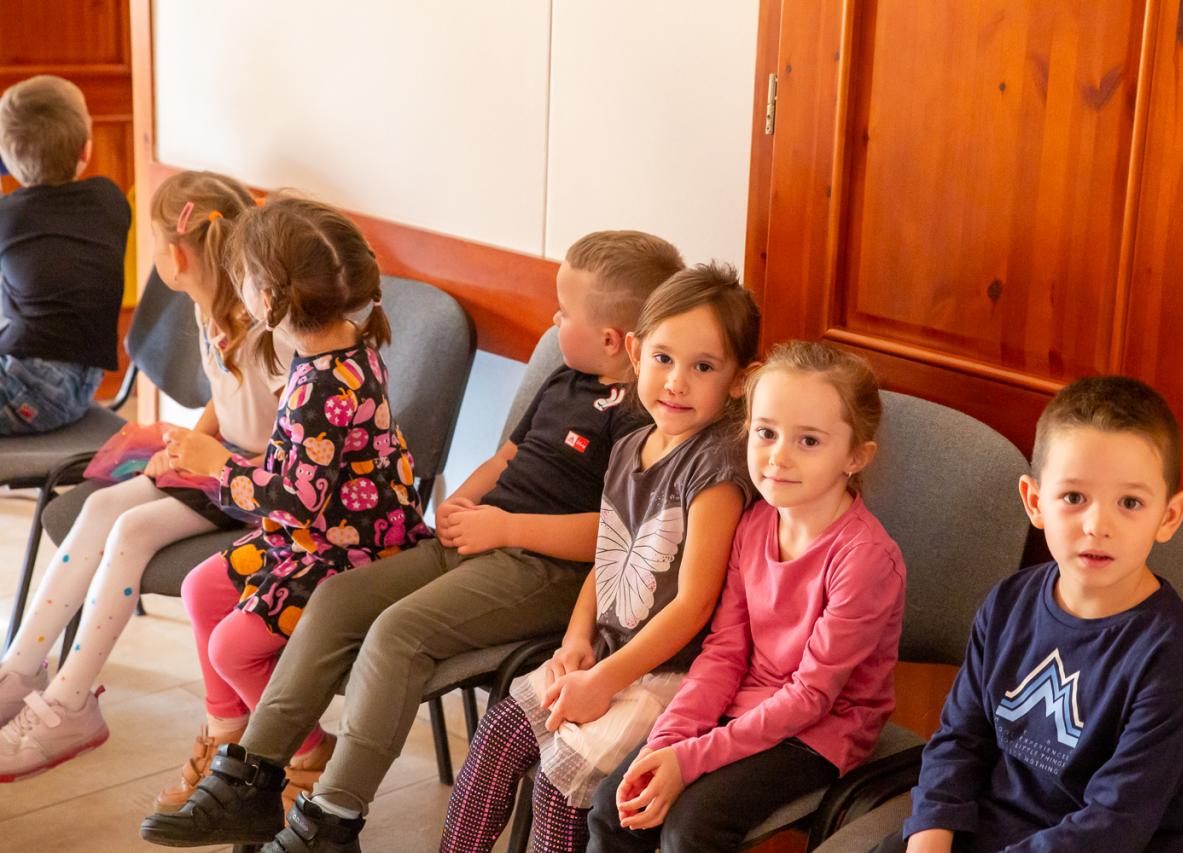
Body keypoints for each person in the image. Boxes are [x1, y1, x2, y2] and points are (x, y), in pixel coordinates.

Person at [138, 230, 685, 851]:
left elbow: (615, 537)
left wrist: (504, 527)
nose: (553, 322)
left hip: (543, 568)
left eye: (563, 313)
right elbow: (508, 457)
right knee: (338, 599)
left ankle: (332, 819)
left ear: (612, 340)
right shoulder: (566, 378)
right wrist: (463, 501)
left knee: (397, 633)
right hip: (480, 537)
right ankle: (251, 780)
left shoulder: (640, 419)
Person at [439, 263, 759, 853]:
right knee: (498, 737)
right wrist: (575, 641)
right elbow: (608, 556)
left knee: (561, 783)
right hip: (605, 654)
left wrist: (604, 679)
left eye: (704, 367)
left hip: (666, 675)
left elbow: (694, 605)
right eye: (663, 358)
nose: (677, 382)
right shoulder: (631, 443)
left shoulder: (717, 469)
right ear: (635, 353)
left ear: (739, 380)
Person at [0, 170, 282, 784]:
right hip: (222, 462)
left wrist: (213, 460)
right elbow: (229, 399)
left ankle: (69, 706)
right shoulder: (210, 310)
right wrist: (191, 446)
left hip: (260, 486)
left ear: (177, 257)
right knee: (101, 507)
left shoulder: (267, 332)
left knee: (130, 530)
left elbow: (287, 443)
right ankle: (19, 672)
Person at [158, 196, 432, 813]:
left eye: (242, 279)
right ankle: (228, 734)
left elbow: (294, 502)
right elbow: (300, 485)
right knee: (202, 590)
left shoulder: (323, 381)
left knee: (232, 648)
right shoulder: (341, 343)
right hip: (320, 534)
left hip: (353, 551)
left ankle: (306, 752)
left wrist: (217, 464)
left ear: (266, 300)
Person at [875, 376, 1183, 853]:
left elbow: (1114, 825)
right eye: (1074, 497)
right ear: (1035, 502)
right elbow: (961, 739)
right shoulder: (1007, 604)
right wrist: (930, 836)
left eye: (1130, 503)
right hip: (991, 829)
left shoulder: (1173, 660)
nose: (1097, 526)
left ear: (1169, 516)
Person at [587, 341, 905, 853]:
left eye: (808, 441)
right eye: (766, 433)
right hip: (746, 703)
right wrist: (667, 744)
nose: (778, 456)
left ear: (855, 457)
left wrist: (689, 761)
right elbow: (725, 653)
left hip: (821, 730)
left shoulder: (865, 560)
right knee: (614, 806)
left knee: (690, 829)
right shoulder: (754, 522)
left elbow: (811, 697)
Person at [0, 74, 130, 434]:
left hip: (27, 390)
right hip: (83, 386)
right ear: (86, 151)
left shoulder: (7, 217)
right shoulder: (110, 200)